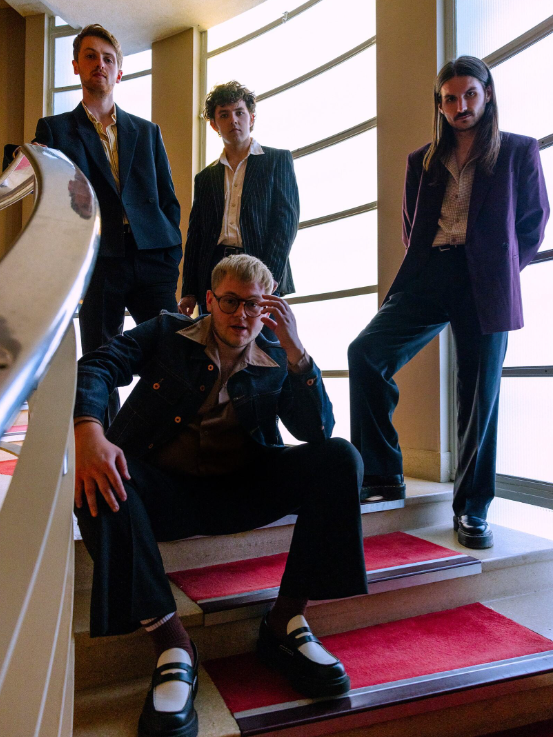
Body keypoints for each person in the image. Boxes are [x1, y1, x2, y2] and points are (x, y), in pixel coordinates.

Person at [73, 254, 367, 737]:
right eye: (230, 301)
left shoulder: (276, 352)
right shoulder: (169, 331)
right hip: (163, 492)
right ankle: (172, 644)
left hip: (241, 488)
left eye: (254, 305)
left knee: (340, 458)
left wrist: (298, 354)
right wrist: (89, 429)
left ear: (269, 307)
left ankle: (285, 622)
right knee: (101, 480)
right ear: (210, 300)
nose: (241, 315)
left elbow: (316, 429)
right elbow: (100, 364)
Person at [348, 56, 549, 549]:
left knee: (479, 396)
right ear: (439, 104)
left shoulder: (518, 151)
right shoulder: (423, 159)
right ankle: (380, 475)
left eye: (470, 95)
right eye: (451, 99)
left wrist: (499, 270)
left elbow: (534, 221)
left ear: (487, 94)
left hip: (486, 281)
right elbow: (410, 226)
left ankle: (472, 510)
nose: (461, 106)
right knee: (366, 354)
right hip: (430, 274)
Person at [26, 24, 182, 422]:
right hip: (99, 258)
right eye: (91, 56)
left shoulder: (148, 132)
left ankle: (163, 440)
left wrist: (169, 256)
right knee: (100, 358)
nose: (100, 64)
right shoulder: (55, 129)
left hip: (152, 257)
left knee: (175, 350)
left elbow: (167, 198)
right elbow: (44, 190)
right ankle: (104, 445)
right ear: (77, 65)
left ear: (120, 72)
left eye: (108, 58)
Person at [178, 81, 299, 317]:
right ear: (214, 125)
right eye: (224, 115)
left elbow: (286, 223)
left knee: (264, 347)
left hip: (260, 265)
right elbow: (196, 236)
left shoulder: (277, 161)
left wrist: (270, 275)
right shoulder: (205, 178)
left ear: (251, 118)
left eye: (239, 112)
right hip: (214, 272)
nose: (233, 120)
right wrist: (190, 290)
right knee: (214, 349)